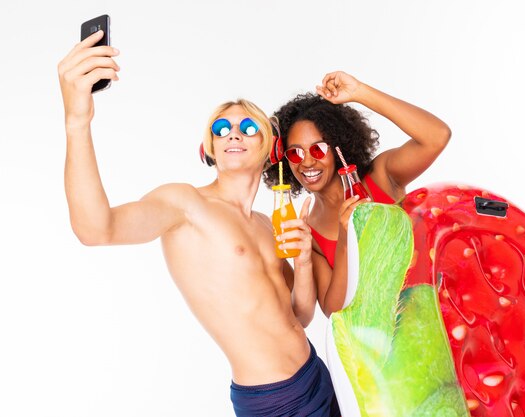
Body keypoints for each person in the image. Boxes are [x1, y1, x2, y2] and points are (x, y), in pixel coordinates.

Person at [58, 30, 340, 417]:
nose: (233, 134)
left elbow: (299, 317)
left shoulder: (265, 223)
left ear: (270, 146)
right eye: (221, 130)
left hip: (316, 376)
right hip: (272, 400)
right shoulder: (185, 203)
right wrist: (78, 121)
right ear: (207, 147)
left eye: (247, 127)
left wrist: (304, 262)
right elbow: (95, 230)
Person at [264, 71, 451, 317]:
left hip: (441, 314)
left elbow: (437, 136)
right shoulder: (309, 231)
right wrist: (345, 236)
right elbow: (334, 310)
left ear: (338, 145)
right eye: (295, 153)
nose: (307, 162)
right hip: (390, 347)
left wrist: (360, 92)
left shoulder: (382, 176)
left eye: (318, 149)